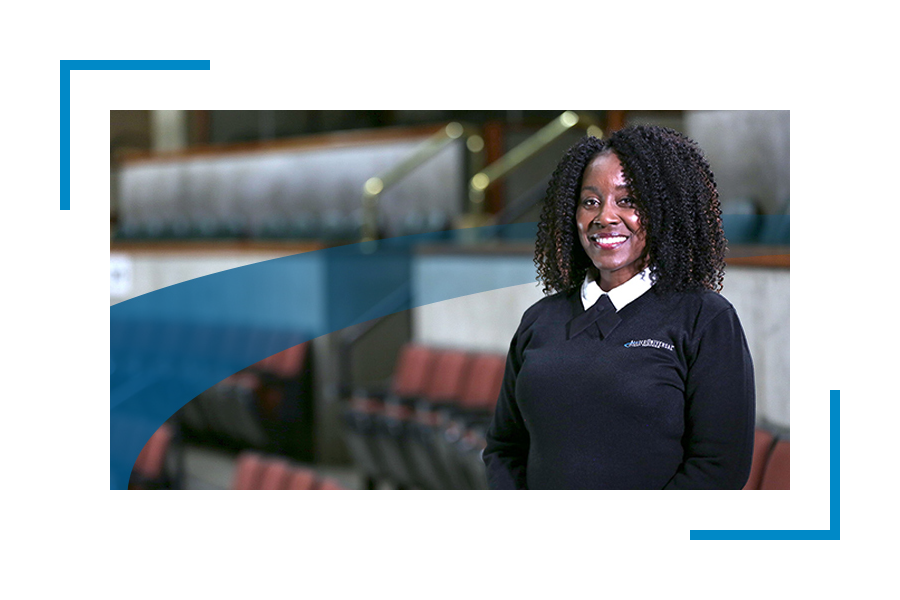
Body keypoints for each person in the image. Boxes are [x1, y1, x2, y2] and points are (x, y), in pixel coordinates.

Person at [482, 125, 755, 490]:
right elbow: (504, 448)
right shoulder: (540, 320)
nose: (604, 217)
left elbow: (720, 467)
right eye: (590, 201)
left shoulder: (706, 318)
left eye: (627, 200)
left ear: (663, 210)